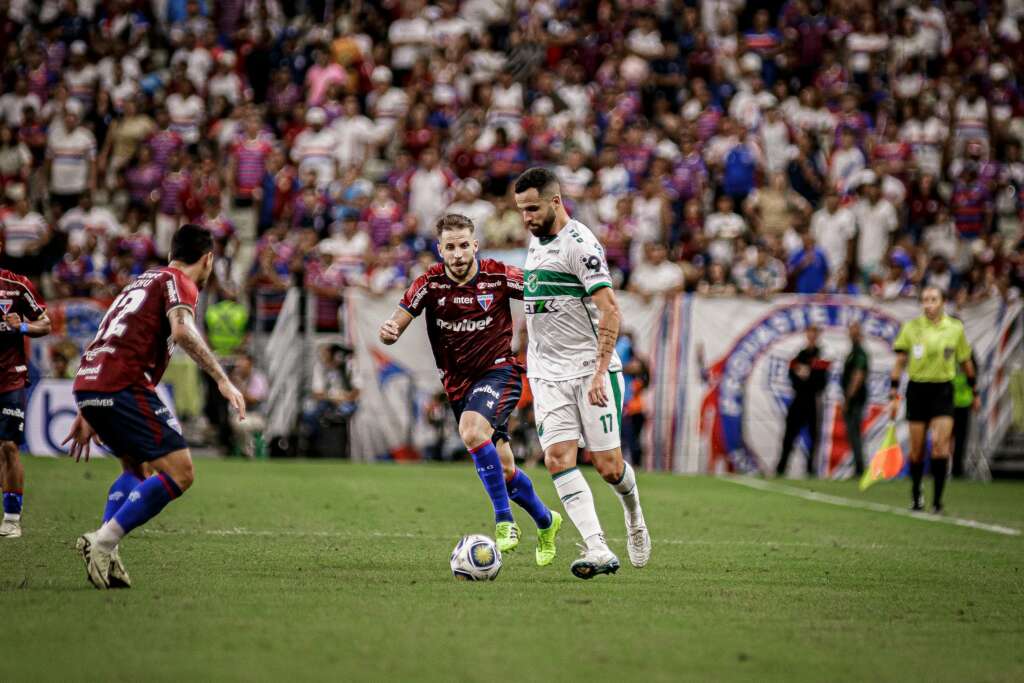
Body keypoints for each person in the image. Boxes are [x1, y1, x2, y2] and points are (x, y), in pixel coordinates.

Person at [63, 224, 246, 589]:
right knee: (181, 472)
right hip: (123, 383)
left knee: (138, 466)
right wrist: (222, 379)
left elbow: (111, 332)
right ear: (208, 259)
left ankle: (106, 549)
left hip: (91, 380)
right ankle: (104, 541)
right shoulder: (180, 282)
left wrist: (88, 407)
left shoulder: (140, 281)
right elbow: (181, 331)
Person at [378, 213, 562, 564]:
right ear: (440, 250)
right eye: (450, 247)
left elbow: (542, 286)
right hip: (458, 384)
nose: (459, 253)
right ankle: (546, 521)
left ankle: (504, 520)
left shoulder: (497, 274)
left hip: (499, 373)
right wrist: (389, 330)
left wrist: (581, 284)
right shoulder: (429, 284)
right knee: (505, 470)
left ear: (475, 245)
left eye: (464, 245)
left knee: (472, 431)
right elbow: (398, 319)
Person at [513, 167, 650, 580]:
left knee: (608, 466)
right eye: (521, 210)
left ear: (556, 202)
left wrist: (598, 373)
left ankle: (634, 517)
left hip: (591, 371)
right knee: (557, 458)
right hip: (547, 374)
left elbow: (611, 310)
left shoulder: (581, 245)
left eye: (533, 208)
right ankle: (597, 546)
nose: (526, 217)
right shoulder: (535, 243)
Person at [889, 286, 978, 512]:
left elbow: (966, 361)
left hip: (943, 391)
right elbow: (900, 361)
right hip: (918, 390)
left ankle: (937, 500)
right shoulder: (911, 327)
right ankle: (917, 494)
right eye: (925, 300)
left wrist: (974, 391)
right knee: (917, 450)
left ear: (942, 302)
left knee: (941, 446)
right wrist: (893, 394)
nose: (929, 304)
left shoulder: (955, 328)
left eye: (933, 299)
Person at [0, 268, 51, 538]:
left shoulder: (16, 285)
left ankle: (11, 518)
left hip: (10, 378)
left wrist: (20, 326)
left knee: (8, 446)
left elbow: (45, 324)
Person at [776, 325, 829, 478]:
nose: (812, 335)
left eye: (815, 332)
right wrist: (803, 375)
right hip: (798, 399)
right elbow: (792, 377)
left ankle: (810, 470)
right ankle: (781, 468)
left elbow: (821, 383)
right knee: (789, 435)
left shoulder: (822, 355)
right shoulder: (799, 355)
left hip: (812, 400)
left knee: (813, 436)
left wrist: (807, 375)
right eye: (810, 332)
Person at [840, 321, 869, 476]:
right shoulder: (852, 352)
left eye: (855, 331)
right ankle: (858, 467)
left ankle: (859, 469)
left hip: (855, 399)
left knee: (854, 434)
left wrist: (848, 398)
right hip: (853, 398)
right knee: (852, 434)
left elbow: (858, 376)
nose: (852, 334)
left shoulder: (859, 353)